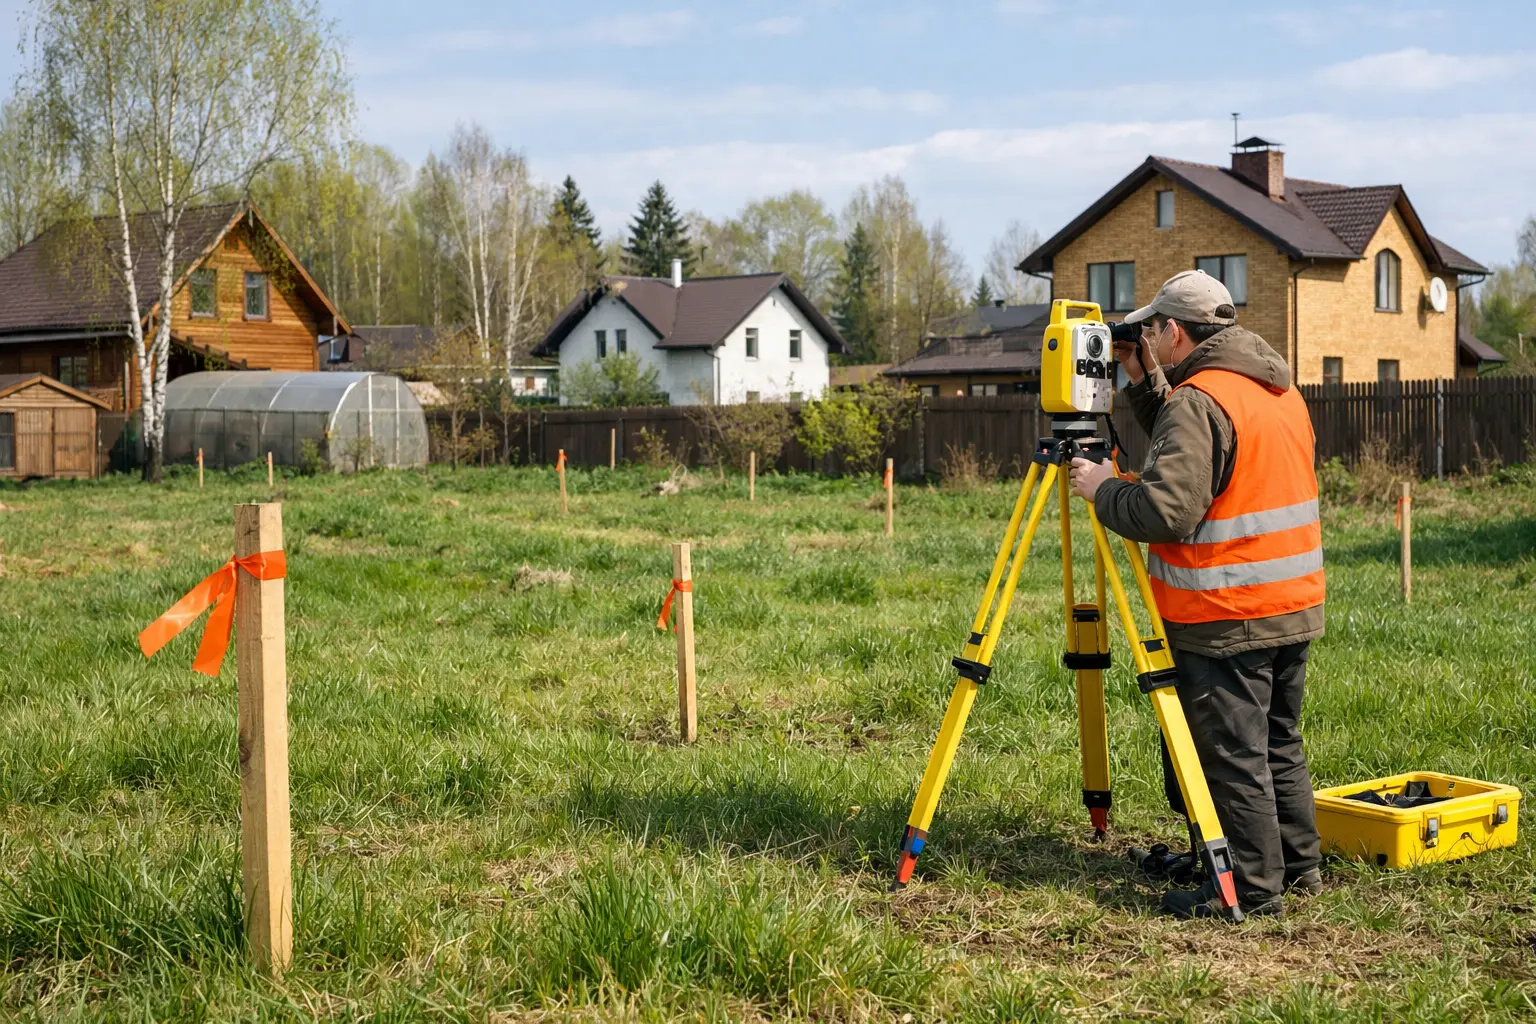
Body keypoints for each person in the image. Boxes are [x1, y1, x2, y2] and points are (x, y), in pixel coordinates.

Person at [1068, 270, 1324, 919]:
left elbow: (1167, 510)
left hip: (1225, 612)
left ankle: (1250, 891)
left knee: (1233, 757)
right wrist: (1139, 376)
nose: (1147, 340)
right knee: (1277, 745)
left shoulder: (1199, 401)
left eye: (1150, 331)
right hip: (1289, 603)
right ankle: (1298, 872)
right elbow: (1202, 451)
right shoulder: (1272, 388)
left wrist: (1102, 487)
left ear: (1173, 331)